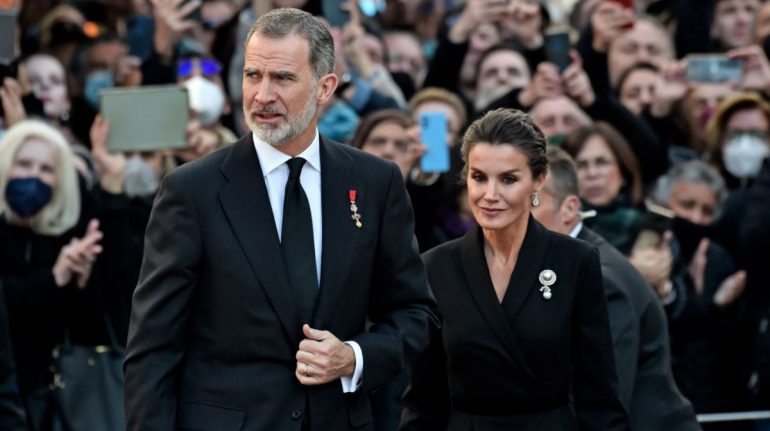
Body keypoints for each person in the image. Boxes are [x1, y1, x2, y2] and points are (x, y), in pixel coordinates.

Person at [123, 8, 437, 431]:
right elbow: (153, 349)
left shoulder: (375, 183)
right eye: (253, 75)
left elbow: (415, 314)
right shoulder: (192, 191)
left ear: (325, 87)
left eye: (283, 78)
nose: (263, 95)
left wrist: (354, 357)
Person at [401, 108, 629, 430]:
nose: (490, 195)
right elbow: (425, 400)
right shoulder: (437, 267)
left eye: (508, 179)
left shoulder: (575, 261)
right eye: (479, 177)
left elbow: (599, 396)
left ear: (538, 181)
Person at [532, 147, 701, 431]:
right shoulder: (559, 264)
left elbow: (603, 400)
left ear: (570, 209)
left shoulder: (600, 279)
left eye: (531, 201)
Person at [0, 120, 105, 429]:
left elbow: (85, 333)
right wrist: (52, 280)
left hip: (48, 400)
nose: (34, 176)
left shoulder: (62, 238)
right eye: (24, 164)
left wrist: (80, 282)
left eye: (47, 169)